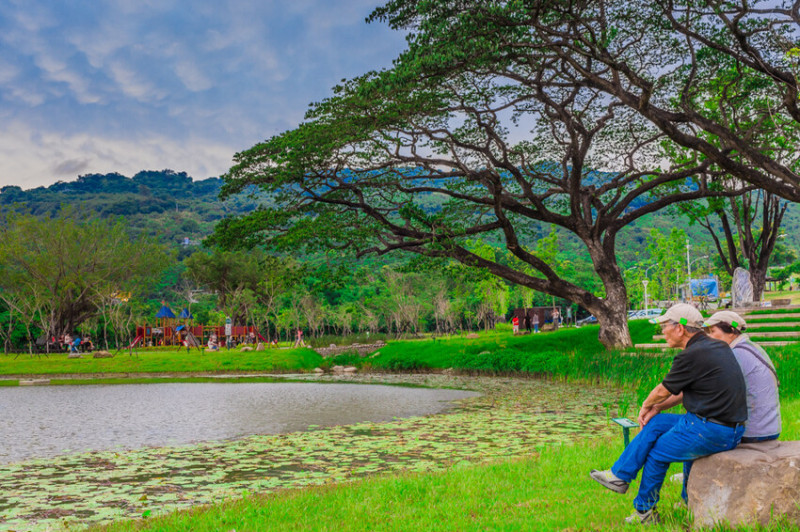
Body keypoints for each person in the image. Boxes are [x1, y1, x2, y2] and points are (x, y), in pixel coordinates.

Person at [589, 303, 747, 524]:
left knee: (656, 453)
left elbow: (663, 390)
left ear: (680, 328)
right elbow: (681, 392)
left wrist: (646, 405)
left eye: (664, 327)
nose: (662, 333)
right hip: (725, 427)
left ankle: (645, 512)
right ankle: (620, 475)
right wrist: (656, 408)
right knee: (658, 421)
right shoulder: (714, 347)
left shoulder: (692, 355)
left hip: (711, 430)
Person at [704, 311, 780, 443]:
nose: (709, 337)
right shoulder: (753, 347)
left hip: (752, 431)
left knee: (693, 437)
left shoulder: (735, 354)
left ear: (731, 331)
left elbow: (715, 392)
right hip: (771, 427)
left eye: (712, 331)